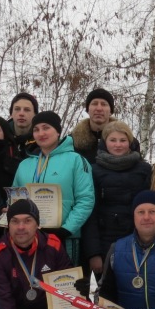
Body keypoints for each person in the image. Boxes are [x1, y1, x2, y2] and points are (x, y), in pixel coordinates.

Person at [12, 110, 95, 265]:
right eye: (36, 130)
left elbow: (86, 199)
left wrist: (66, 230)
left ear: (57, 131)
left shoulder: (76, 160)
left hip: (64, 237)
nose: (41, 133)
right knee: (30, 283)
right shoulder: (25, 164)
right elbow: (15, 199)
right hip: (28, 237)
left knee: (62, 284)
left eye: (46, 128)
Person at [83, 120, 152, 277]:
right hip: (105, 241)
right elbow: (90, 212)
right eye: (113, 140)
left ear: (130, 142)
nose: (118, 145)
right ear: (105, 142)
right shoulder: (94, 170)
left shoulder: (144, 169)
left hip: (136, 240)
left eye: (123, 140)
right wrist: (93, 253)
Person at [71, 87, 117, 164]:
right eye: (94, 103)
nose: (99, 108)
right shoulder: (72, 142)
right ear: (88, 110)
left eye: (104, 104)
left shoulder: (126, 141)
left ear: (110, 111)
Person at [7, 92, 38, 161]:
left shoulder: (41, 140)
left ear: (35, 115)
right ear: (11, 113)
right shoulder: (1, 137)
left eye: (27, 110)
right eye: (17, 109)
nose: (21, 113)